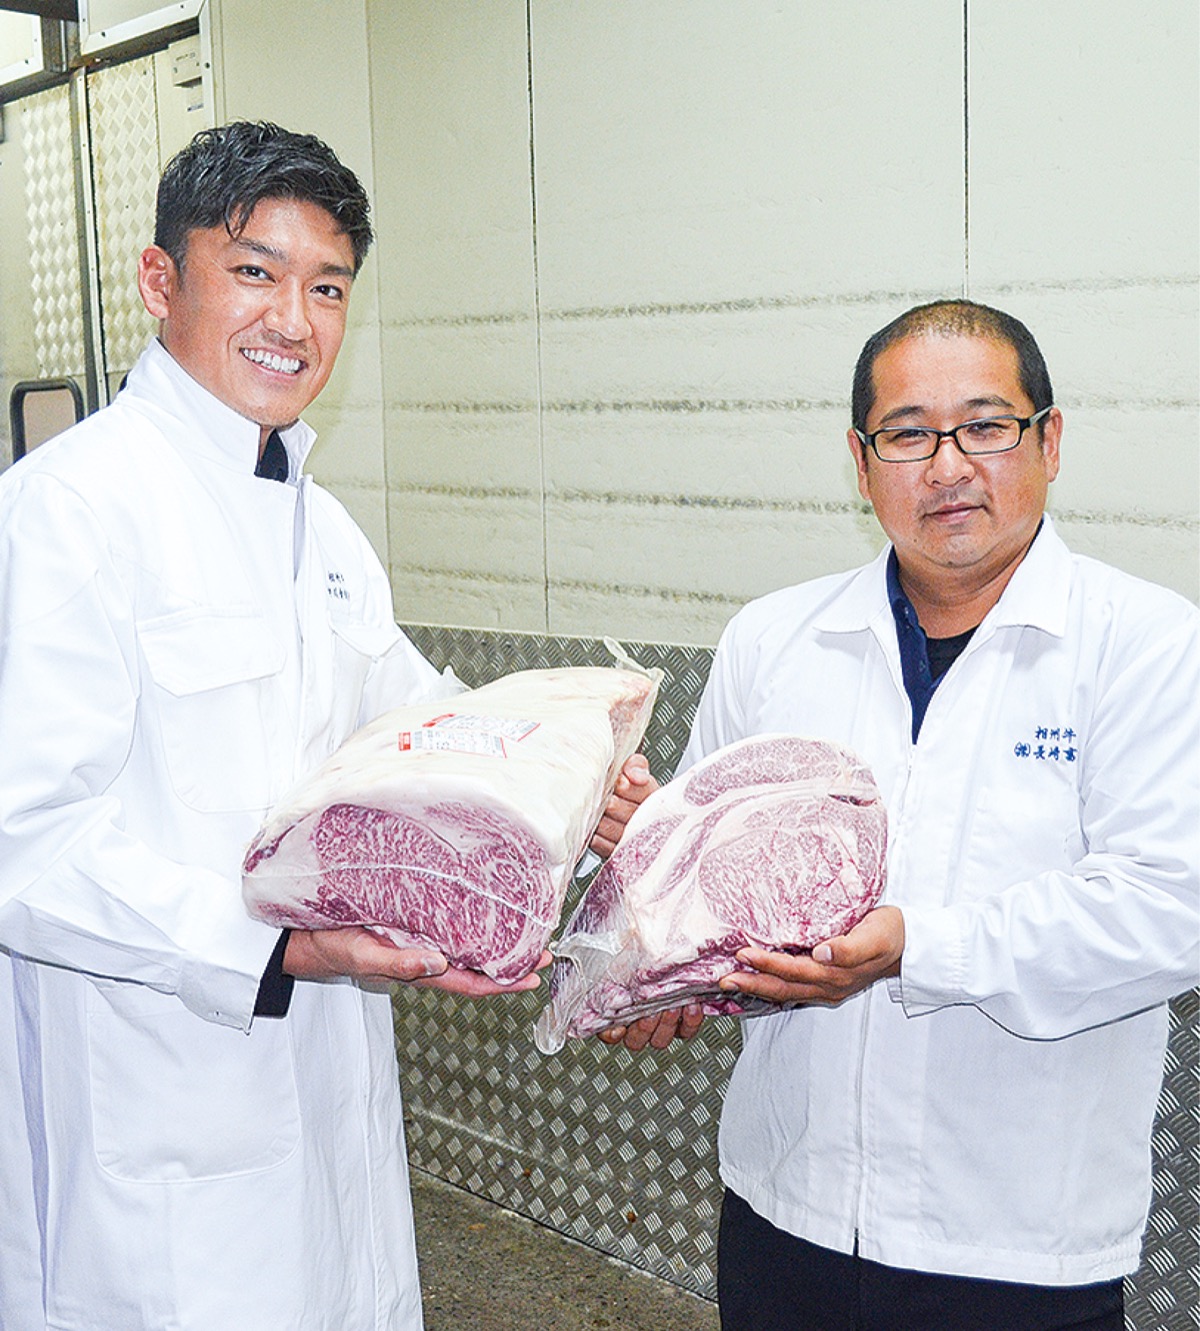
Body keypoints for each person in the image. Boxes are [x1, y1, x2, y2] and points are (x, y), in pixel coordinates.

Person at [0, 121, 650, 1331]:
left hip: (329, 1107)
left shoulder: (323, 529)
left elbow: (424, 727)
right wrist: (277, 947)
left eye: (329, 287)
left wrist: (575, 777)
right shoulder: (67, 512)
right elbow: (24, 847)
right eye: (255, 271)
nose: (293, 320)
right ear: (160, 280)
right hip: (153, 1116)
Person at [604, 300, 1199, 1331]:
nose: (949, 466)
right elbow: (701, 891)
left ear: (1050, 441)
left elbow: (1169, 909)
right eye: (909, 434)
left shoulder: (1145, 644)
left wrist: (917, 948)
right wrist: (658, 962)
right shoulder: (775, 640)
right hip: (785, 1211)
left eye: (986, 426)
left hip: (1015, 1244)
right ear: (861, 459)